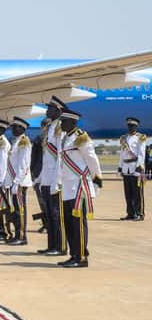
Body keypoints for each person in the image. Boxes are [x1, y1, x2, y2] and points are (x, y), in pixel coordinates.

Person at [58, 108, 102, 268]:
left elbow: (92, 161)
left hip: (79, 188)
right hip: (68, 187)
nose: (61, 123)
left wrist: (97, 182)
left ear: (73, 122)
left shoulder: (81, 138)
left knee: (78, 224)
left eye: (64, 121)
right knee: (69, 224)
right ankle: (74, 254)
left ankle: (82, 257)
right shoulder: (65, 138)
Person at [38, 95, 67, 255]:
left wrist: (57, 180)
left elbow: (60, 156)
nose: (47, 111)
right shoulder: (50, 127)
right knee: (49, 214)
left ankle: (61, 247)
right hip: (47, 178)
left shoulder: (60, 128)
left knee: (57, 214)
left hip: (55, 178)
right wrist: (43, 179)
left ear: (58, 110)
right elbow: (47, 157)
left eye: (50, 108)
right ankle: (51, 245)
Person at [6, 117, 32, 245]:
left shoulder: (24, 142)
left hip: (20, 182)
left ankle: (21, 236)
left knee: (20, 210)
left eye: (15, 127)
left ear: (22, 128)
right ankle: (17, 234)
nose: (12, 129)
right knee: (16, 210)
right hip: (15, 181)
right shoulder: (16, 142)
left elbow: (24, 165)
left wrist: (17, 182)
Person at [118, 117, 146, 221]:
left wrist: (139, 167)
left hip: (135, 168)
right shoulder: (123, 138)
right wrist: (120, 167)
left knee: (137, 193)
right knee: (128, 193)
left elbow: (141, 154)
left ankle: (140, 214)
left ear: (136, 127)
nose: (130, 127)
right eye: (129, 125)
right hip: (126, 168)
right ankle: (130, 213)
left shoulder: (140, 138)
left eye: (132, 126)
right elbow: (122, 154)